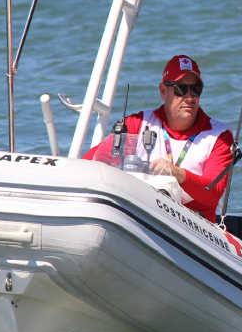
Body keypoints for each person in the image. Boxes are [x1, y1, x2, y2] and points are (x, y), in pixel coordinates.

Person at [84, 55, 233, 223]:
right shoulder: (136, 124)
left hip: (195, 226)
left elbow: (213, 192)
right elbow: (93, 161)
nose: (190, 97)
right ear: (163, 91)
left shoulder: (219, 136)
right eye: (181, 89)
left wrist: (178, 174)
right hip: (142, 214)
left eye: (196, 88)